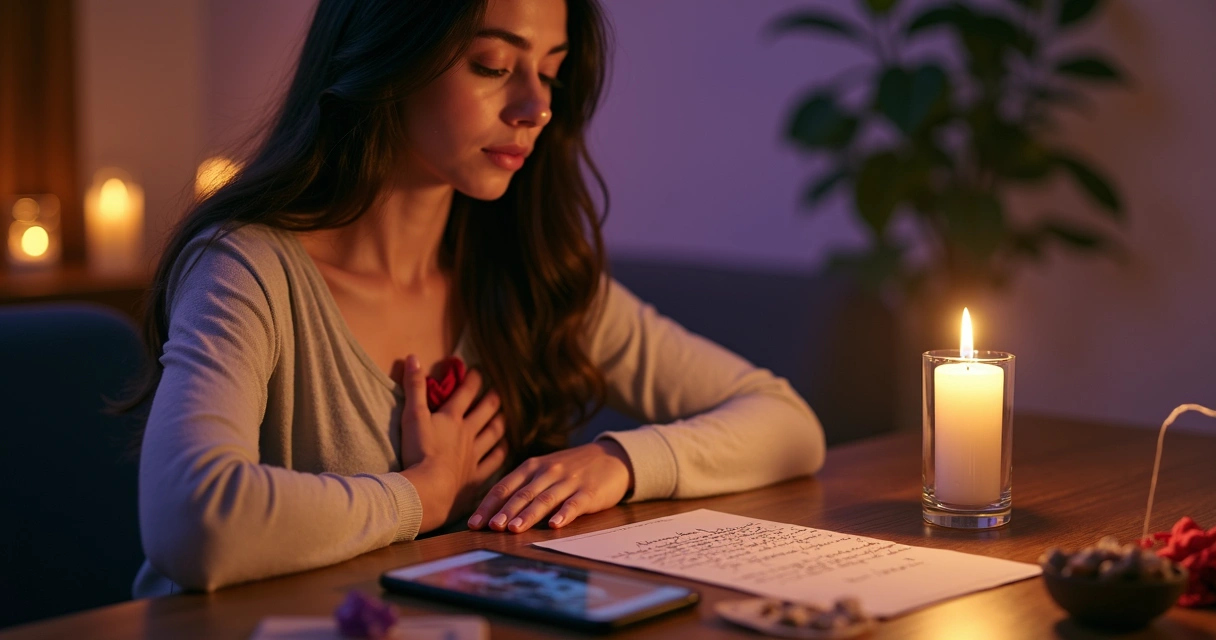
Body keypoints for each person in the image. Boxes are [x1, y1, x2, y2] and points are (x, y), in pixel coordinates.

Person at [129, 0, 826, 597]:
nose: (536, 107)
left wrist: (617, 463)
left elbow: (788, 425)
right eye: (493, 66)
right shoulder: (247, 268)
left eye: (550, 72)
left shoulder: (527, 273)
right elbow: (191, 524)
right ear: (390, 53)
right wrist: (423, 495)